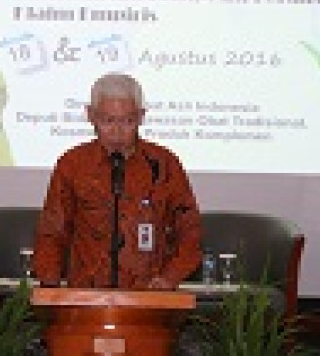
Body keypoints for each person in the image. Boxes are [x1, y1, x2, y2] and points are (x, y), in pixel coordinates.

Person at [33, 72, 201, 289]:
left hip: (148, 293)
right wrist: (50, 284)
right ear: (91, 116)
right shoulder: (73, 164)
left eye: (127, 121)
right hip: (87, 293)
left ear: (141, 117)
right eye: (108, 121)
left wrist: (170, 277)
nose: (117, 132)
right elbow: (52, 230)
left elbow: (189, 230)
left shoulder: (164, 164)